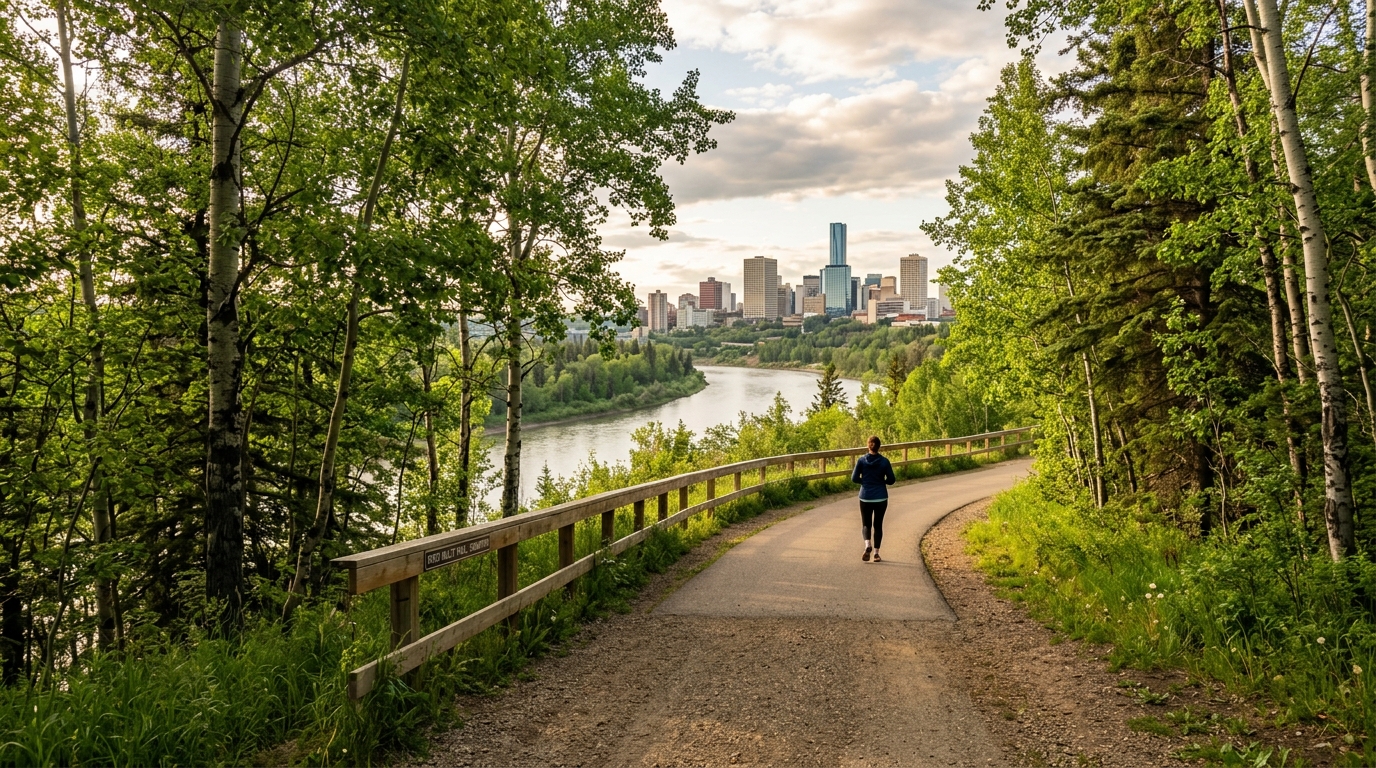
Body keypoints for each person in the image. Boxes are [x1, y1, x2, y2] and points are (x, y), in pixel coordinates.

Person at [851, 435, 896, 562]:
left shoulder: (861, 461)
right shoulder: (884, 461)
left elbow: (854, 478)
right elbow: (892, 480)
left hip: (865, 497)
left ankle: (867, 545)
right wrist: (882, 481)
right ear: (879, 446)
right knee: (878, 525)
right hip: (881, 497)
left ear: (868, 446)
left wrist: (864, 481)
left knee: (866, 524)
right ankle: (876, 554)